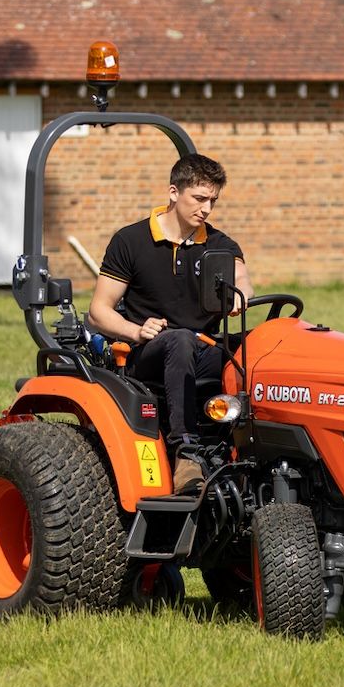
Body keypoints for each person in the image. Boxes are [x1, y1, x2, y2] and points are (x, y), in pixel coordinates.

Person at [89, 154, 250, 492]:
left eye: (213, 201)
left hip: (203, 349)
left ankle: (254, 447)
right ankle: (186, 453)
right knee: (179, 340)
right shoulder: (130, 241)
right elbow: (98, 312)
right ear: (174, 192)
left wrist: (239, 299)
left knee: (258, 345)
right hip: (146, 352)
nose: (206, 209)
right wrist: (136, 330)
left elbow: (243, 285)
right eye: (199, 198)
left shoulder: (220, 246)